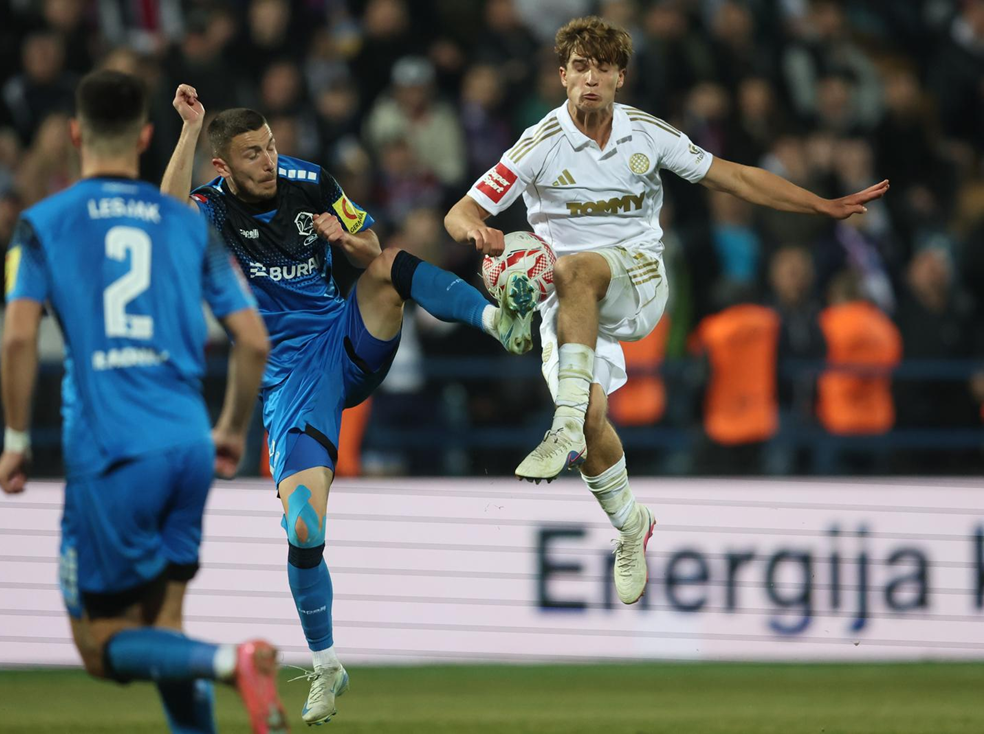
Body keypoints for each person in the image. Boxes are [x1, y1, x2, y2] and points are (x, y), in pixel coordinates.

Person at [444, 15, 888, 605]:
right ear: (562, 76)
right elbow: (458, 212)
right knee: (595, 420)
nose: (591, 78)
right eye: (580, 67)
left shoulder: (647, 135)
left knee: (579, 272)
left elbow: (733, 178)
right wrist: (480, 234)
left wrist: (820, 205)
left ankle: (561, 424)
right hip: (568, 304)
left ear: (621, 77)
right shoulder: (539, 145)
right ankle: (631, 523)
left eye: (603, 67)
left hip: (638, 277)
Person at [160, 83, 526, 726]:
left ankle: (499, 322)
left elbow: (366, 243)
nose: (269, 160)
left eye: (270, 146)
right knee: (305, 529)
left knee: (386, 265)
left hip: (344, 338)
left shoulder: (311, 180)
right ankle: (326, 663)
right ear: (224, 166)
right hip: (288, 379)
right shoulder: (211, 207)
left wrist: (341, 238)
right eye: (252, 154)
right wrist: (189, 129)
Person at [0, 70, 285, 734]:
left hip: (111, 448)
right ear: (146, 135)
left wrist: (14, 442)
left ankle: (230, 660)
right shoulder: (185, 228)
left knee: (101, 647)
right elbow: (252, 342)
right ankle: (212, 670)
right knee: (165, 628)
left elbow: (16, 339)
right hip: (188, 444)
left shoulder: (42, 224)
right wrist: (232, 430)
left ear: (74, 135)